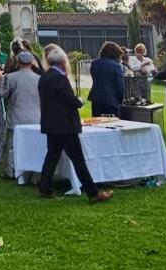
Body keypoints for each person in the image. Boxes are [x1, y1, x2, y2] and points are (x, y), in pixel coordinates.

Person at [38, 46, 113, 203]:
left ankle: (44, 187)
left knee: (52, 155)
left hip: (51, 123)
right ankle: (93, 193)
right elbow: (69, 100)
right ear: (63, 63)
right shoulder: (59, 79)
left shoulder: (44, 77)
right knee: (78, 159)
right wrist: (79, 101)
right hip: (64, 124)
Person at [0, 51, 41, 178]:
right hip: (35, 116)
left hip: (16, 115)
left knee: (12, 145)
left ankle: (10, 171)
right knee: (33, 145)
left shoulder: (10, 77)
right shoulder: (39, 79)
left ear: (19, 62)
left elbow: (2, 93)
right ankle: (32, 170)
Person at [87, 42, 126, 117]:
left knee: (98, 123)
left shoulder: (94, 63)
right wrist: (120, 100)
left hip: (96, 98)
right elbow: (120, 86)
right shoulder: (116, 66)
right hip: (111, 100)